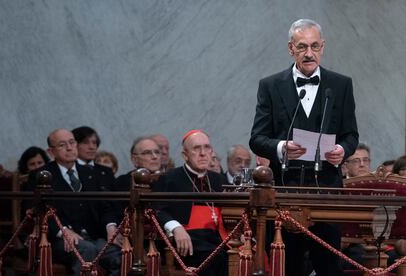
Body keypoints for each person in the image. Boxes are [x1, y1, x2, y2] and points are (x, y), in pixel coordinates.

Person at [249, 19, 359, 276]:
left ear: (323, 47)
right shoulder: (270, 85)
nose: (309, 53)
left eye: (314, 46)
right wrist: (280, 147)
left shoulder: (341, 84)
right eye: (302, 47)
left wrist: (343, 150)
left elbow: (351, 135)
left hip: (328, 194)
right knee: (289, 267)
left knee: (330, 267)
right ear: (291, 49)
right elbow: (257, 138)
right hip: (285, 193)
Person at [23, 129, 120, 275]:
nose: (69, 148)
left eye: (72, 142)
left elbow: (105, 206)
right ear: (51, 152)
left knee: (119, 254)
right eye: (62, 145)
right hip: (58, 239)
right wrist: (63, 231)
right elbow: (34, 210)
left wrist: (111, 227)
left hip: (93, 235)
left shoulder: (90, 173)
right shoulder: (40, 175)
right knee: (86, 250)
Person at [151, 130, 228, 276]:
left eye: (207, 147)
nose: (203, 153)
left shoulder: (218, 180)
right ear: (184, 155)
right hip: (187, 238)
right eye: (196, 148)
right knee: (216, 256)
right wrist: (176, 227)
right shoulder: (170, 178)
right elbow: (157, 209)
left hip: (218, 236)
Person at [71, 126, 115, 191]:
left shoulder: (106, 171)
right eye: (85, 142)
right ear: (74, 145)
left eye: (94, 143)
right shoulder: (70, 170)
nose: (92, 147)